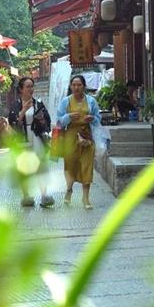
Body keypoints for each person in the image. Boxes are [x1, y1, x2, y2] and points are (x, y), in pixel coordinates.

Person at [8, 77, 54, 208]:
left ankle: (44, 195)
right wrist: (23, 111)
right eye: (27, 87)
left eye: (32, 86)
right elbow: (13, 124)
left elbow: (47, 120)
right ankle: (26, 195)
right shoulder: (15, 105)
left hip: (36, 136)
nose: (30, 89)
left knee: (41, 165)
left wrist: (42, 121)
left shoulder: (38, 103)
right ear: (21, 89)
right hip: (23, 137)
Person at [57, 75, 101, 209]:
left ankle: (86, 198)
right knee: (70, 166)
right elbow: (59, 121)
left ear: (84, 86)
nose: (76, 87)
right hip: (70, 137)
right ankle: (69, 189)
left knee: (87, 166)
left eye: (79, 85)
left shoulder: (91, 101)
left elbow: (98, 119)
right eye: (74, 85)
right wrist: (68, 117)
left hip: (87, 137)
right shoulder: (65, 101)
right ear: (70, 86)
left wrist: (92, 118)